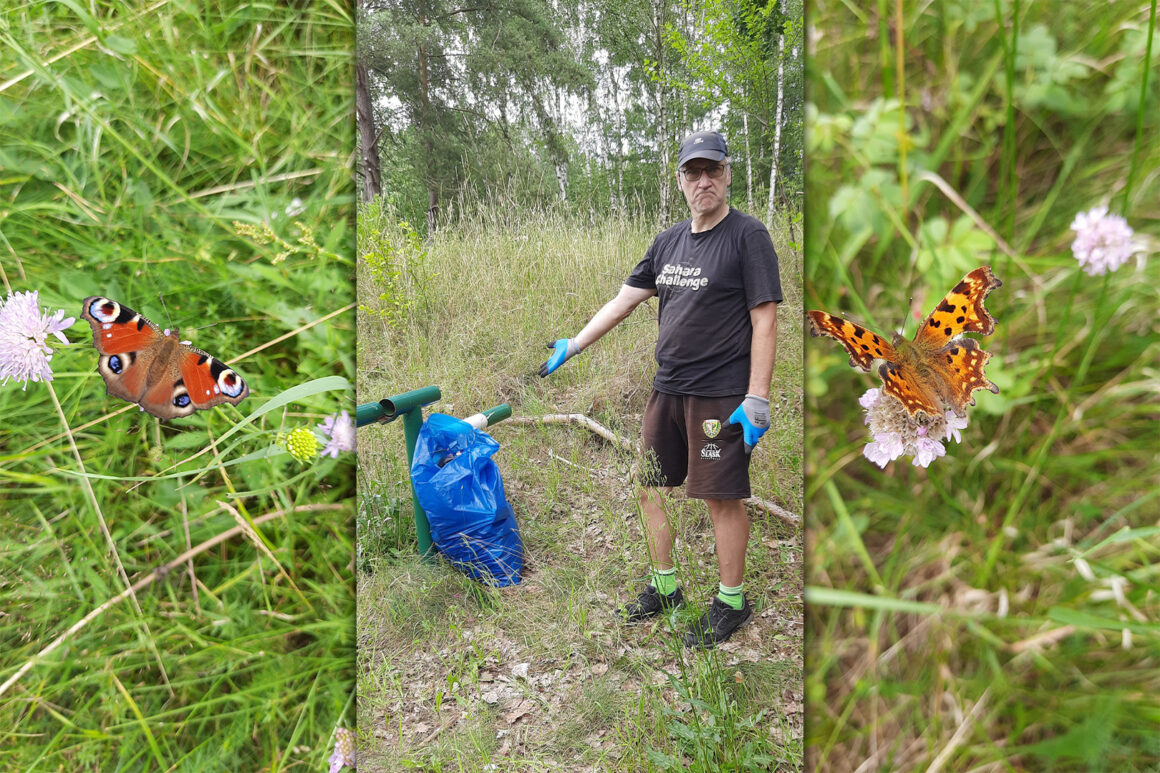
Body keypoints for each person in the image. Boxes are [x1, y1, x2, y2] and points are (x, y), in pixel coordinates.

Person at [538, 130, 781, 648]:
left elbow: (765, 321)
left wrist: (757, 397)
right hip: (667, 390)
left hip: (719, 396)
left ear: (727, 174)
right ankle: (665, 588)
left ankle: (731, 602)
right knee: (648, 487)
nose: (704, 181)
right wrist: (574, 344)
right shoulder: (668, 242)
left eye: (712, 170)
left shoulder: (747, 237)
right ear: (680, 181)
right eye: (693, 173)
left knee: (721, 497)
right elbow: (623, 302)